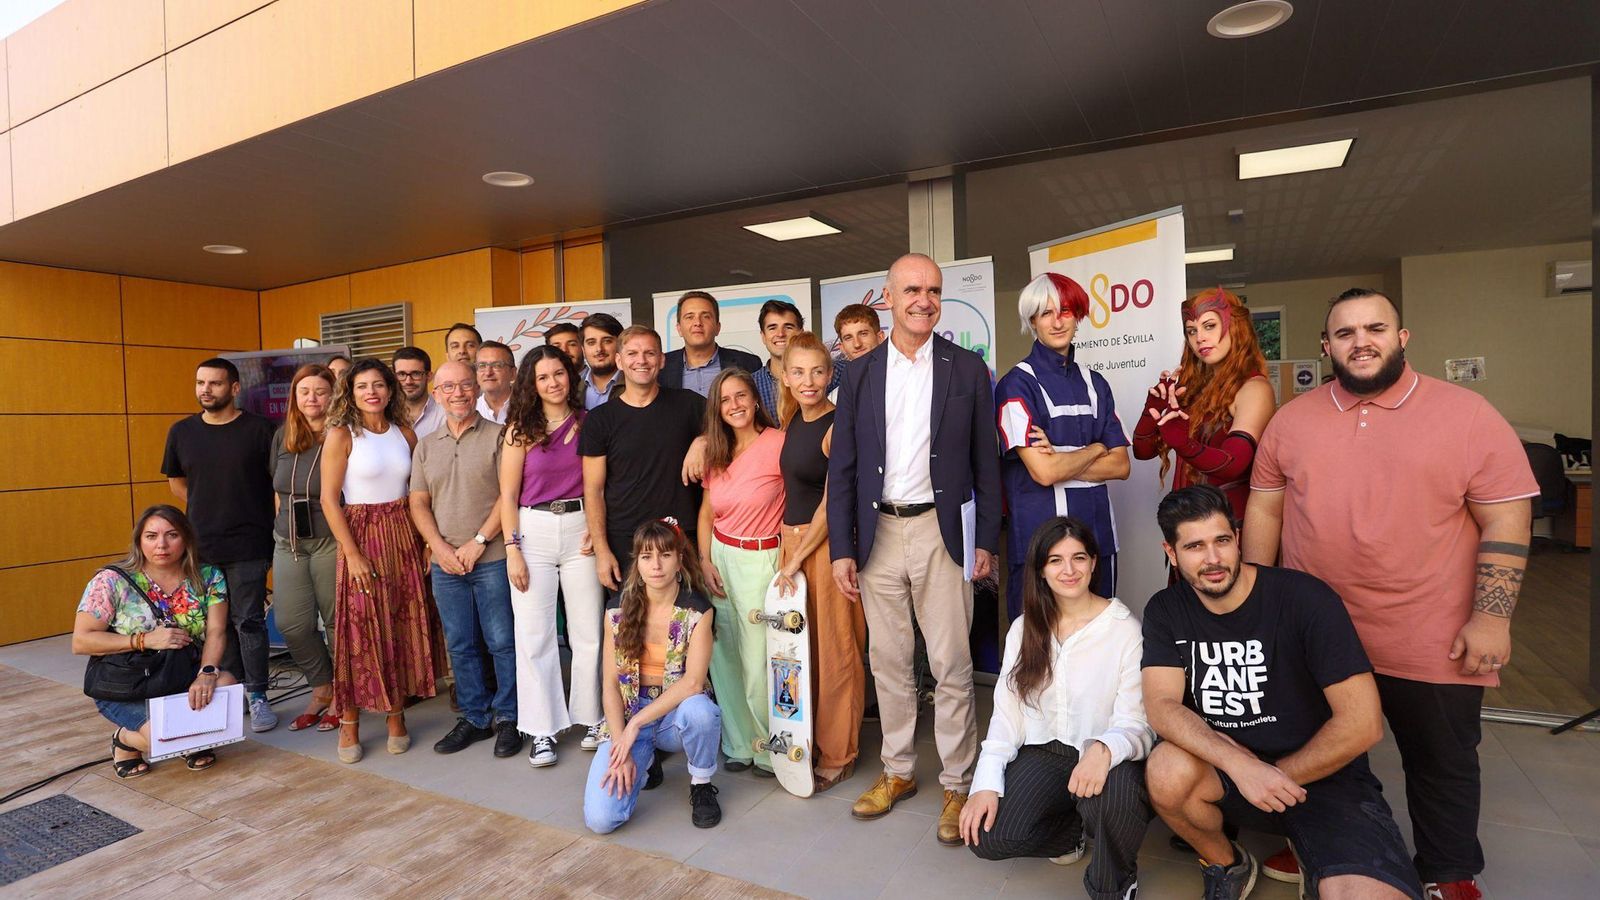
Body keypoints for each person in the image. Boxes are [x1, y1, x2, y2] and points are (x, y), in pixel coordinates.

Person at [1244, 288, 1538, 900]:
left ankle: (1448, 870)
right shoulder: (1291, 420)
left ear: (1402, 338)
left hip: (1430, 632)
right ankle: (1324, 844)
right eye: (1345, 333)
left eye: (1375, 328)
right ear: (1327, 347)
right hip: (1317, 636)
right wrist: (1254, 602)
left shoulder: (1468, 415)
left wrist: (1492, 617)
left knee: (1441, 761)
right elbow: (1265, 512)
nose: (1361, 341)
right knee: (1321, 751)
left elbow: (1507, 520)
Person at [1143, 485, 1421, 900]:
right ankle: (1227, 863)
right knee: (1165, 770)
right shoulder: (1167, 608)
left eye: (1221, 541)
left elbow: (1363, 724)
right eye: (1195, 546)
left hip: (1325, 775)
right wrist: (1241, 766)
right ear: (1172, 552)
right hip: (1231, 773)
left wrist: (1274, 778)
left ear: (1237, 539)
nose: (1213, 559)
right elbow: (1162, 706)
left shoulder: (1305, 599)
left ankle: (1317, 856)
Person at [828, 253, 1001, 844]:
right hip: (876, 532)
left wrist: (989, 541)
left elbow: (987, 462)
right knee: (890, 661)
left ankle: (957, 781)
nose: (923, 300)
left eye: (932, 290)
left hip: (942, 529)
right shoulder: (857, 373)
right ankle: (898, 771)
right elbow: (843, 468)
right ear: (888, 297)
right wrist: (841, 548)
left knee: (951, 663)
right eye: (911, 290)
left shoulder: (968, 369)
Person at [960, 517, 1152, 900]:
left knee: (1112, 802)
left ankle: (1114, 884)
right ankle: (1072, 831)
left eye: (1079, 558)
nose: (1069, 570)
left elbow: (1138, 721)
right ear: (1041, 570)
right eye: (1055, 560)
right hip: (1047, 752)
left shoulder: (1124, 628)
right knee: (986, 837)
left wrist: (1106, 750)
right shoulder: (1025, 628)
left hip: (1107, 755)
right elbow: (1007, 716)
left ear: (1094, 563)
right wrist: (984, 785)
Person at [320, 358, 445, 763]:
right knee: (359, 629)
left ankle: (396, 715)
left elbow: (418, 492)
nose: (371, 391)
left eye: (378, 384)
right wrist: (352, 553)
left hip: (404, 533)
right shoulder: (342, 435)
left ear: (390, 390)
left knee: (400, 623)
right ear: (350, 393)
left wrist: (427, 541)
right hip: (361, 534)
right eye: (362, 386)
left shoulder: (405, 434)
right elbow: (328, 499)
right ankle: (350, 721)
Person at [996, 273, 1131, 618]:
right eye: (1045, 313)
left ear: (1079, 316)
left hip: (1097, 539)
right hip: (1039, 544)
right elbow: (1044, 472)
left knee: (1098, 642)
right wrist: (1096, 447)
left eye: (1066, 311)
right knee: (1039, 655)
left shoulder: (1096, 383)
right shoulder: (1016, 385)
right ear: (1032, 321)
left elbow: (1122, 466)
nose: (1057, 322)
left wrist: (1061, 454)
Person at [409, 360, 522, 760]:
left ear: (476, 389)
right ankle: (475, 717)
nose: (457, 393)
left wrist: (477, 541)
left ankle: (509, 717)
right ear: (436, 394)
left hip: (489, 557)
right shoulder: (426, 445)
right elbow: (418, 502)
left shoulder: (500, 436)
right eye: (448, 387)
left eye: (465, 385)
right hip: (446, 565)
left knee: (501, 643)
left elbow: (508, 497)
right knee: (460, 645)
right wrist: (438, 548)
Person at [500, 346, 607, 765]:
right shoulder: (518, 430)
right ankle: (542, 729)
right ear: (532, 383)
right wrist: (512, 550)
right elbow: (507, 496)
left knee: (588, 633)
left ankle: (592, 716)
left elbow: (600, 485)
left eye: (559, 374)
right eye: (543, 377)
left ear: (570, 376)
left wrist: (595, 533)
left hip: (580, 528)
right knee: (534, 634)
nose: (553, 383)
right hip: (533, 532)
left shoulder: (588, 423)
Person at [74, 505, 238, 777]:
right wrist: (144, 640)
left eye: (172, 535)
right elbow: (81, 641)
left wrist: (207, 672)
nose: (161, 544)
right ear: (139, 540)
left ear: (186, 539)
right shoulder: (111, 581)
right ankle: (124, 740)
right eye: (151, 536)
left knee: (226, 685)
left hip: (179, 674)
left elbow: (217, 632)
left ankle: (188, 736)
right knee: (161, 740)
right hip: (129, 683)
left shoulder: (209, 576)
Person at [583, 520, 724, 833]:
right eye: (646, 557)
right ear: (637, 563)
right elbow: (609, 685)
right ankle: (646, 763)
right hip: (631, 712)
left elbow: (693, 683)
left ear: (679, 560)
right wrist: (621, 743)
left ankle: (701, 783)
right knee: (601, 820)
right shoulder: (616, 610)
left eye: (665, 555)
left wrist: (636, 724)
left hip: (675, 712)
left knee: (701, 712)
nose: (656, 565)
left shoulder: (697, 610)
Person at [162, 356, 278, 731]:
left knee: (249, 621)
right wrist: (204, 507)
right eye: (200, 383)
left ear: (234, 387)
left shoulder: (261, 430)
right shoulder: (182, 432)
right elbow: (177, 483)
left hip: (250, 542)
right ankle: (234, 690)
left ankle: (258, 695)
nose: (205, 390)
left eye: (213, 383)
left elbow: (278, 484)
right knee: (217, 624)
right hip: (202, 545)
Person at [774, 330, 865, 791]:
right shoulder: (792, 421)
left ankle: (839, 754)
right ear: (785, 377)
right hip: (792, 547)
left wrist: (798, 557)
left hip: (826, 549)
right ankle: (803, 742)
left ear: (832, 375)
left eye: (818, 371)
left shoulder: (836, 426)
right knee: (799, 654)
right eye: (799, 372)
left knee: (836, 653)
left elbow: (834, 504)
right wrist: (783, 551)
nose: (809, 381)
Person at [697, 368, 786, 775]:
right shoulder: (715, 451)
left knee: (757, 662)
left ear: (755, 400)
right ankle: (740, 745)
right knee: (724, 655)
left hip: (760, 558)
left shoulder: (778, 444)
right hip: (719, 556)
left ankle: (770, 748)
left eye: (741, 396)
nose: (734, 405)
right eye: (725, 400)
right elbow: (706, 511)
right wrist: (703, 560)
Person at [579, 326, 706, 594]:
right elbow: (593, 490)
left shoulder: (691, 406)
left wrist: (703, 440)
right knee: (629, 629)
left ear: (661, 360)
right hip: (624, 542)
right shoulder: (600, 420)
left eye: (650, 353)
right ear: (619, 361)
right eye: (632, 353)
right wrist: (602, 552)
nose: (641, 360)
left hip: (681, 540)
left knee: (683, 628)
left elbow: (729, 433)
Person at [1132, 287, 1274, 524]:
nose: (1199, 338)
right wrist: (1152, 409)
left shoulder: (1254, 389)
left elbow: (1234, 464)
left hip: (1227, 529)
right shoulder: (1194, 390)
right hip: (1186, 525)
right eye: (1191, 331)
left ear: (1235, 327)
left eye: (1210, 326)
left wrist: (1183, 443)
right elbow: (1142, 451)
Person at [270, 364, 340, 733]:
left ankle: (343, 694)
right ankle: (321, 686)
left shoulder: (344, 436)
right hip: (289, 542)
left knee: (336, 623)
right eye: (304, 392)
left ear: (333, 395)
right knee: (292, 624)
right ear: (294, 397)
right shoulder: (283, 436)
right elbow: (278, 491)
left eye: (320, 391)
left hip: (330, 540)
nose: (312, 398)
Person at [660, 291, 762, 397]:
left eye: (706, 316)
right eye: (689, 317)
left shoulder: (748, 364)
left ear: (718, 327)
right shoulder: (661, 368)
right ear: (679, 329)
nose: (697, 323)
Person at [753, 299, 838, 418]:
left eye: (788, 327)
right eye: (772, 328)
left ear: (801, 332)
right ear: (763, 336)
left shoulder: (840, 371)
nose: (780, 334)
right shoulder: (752, 384)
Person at [393, 346, 445, 438]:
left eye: (415, 374)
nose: (408, 381)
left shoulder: (445, 412)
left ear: (429, 376)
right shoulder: (385, 414)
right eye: (401, 374)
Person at [579, 312, 624, 409]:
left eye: (607, 341)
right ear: (583, 349)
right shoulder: (572, 390)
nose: (599, 349)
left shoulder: (636, 385)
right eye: (591, 343)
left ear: (620, 345)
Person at [474, 341, 516, 424]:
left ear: (513, 373)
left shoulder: (529, 407)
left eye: (497, 365)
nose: (488, 372)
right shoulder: (471, 411)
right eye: (482, 366)